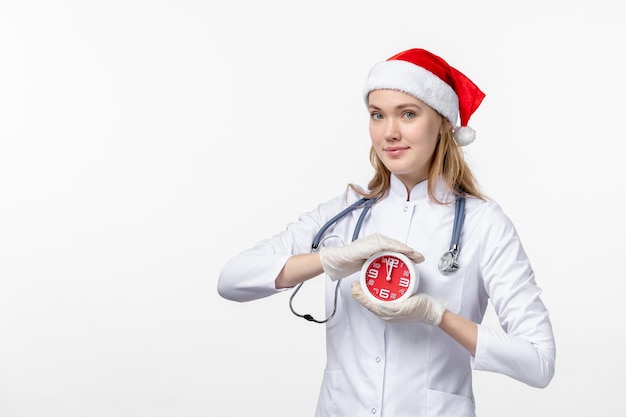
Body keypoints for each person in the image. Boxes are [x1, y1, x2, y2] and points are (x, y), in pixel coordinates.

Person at [217, 47, 556, 417]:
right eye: (377, 115)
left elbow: (538, 362)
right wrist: (328, 259)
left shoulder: (482, 223)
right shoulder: (344, 213)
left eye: (408, 114)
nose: (389, 132)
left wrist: (436, 316)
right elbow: (231, 279)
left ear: (442, 122)